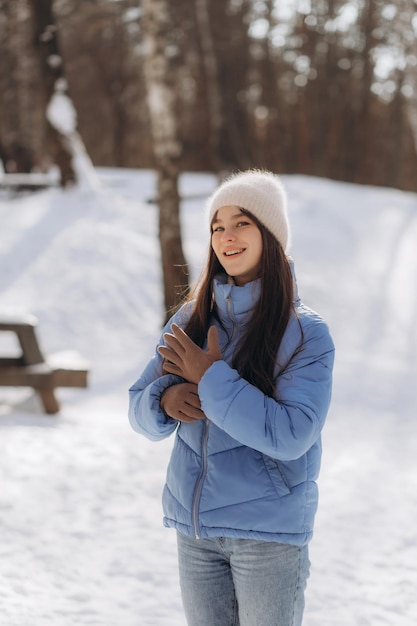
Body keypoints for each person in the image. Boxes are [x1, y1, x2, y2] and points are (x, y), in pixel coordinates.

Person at [128, 169, 335, 626]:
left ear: (271, 234)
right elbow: (138, 405)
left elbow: (292, 435)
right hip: (196, 533)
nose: (227, 236)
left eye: (241, 222)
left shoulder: (305, 331)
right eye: (217, 226)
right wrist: (164, 401)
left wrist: (211, 379)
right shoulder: (192, 316)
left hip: (268, 536)